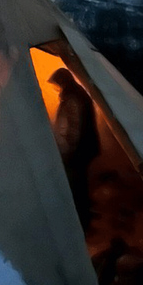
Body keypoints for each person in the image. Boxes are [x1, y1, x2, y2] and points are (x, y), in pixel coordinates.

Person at [48, 68, 100, 230]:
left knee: (76, 187)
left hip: (77, 152)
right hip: (83, 150)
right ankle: (82, 220)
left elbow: (73, 131)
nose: (57, 88)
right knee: (79, 186)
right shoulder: (77, 94)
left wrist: (66, 153)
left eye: (58, 84)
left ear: (63, 81)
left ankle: (80, 224)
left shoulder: (72, 99)